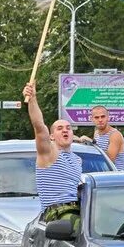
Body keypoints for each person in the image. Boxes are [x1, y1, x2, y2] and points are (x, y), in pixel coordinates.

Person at [23, 82, 82, 225]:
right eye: (59, 128)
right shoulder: (49, 153)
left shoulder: (78, 160)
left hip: (78, 211)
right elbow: (39, 125)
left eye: (68, 128)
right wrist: (32, 99)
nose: (65, 130)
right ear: (51, 136)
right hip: (56, 214)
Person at [79, 106, 124, 171]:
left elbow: (109, 160)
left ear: (108, 117)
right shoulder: (96, 133)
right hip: (102, 175)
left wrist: (91, 141)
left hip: (116, 177)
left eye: (103, 116)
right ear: (92, 119)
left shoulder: (115, 135)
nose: (100, 120)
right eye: (96, 117)